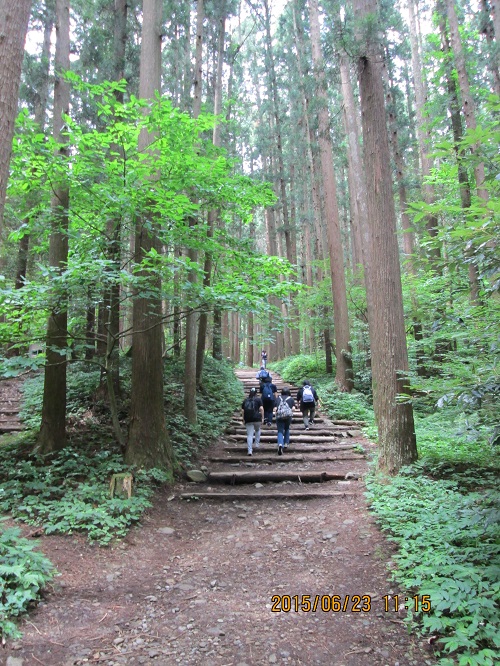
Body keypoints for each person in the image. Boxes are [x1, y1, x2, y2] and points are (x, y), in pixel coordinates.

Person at [241, 387, 264, 456]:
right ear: (256, 393)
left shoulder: (245, 400)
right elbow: (261, 408)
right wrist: (262, 418)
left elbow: (242, 410)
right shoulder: (258, 399)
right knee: (257, 430)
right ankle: (257, 444)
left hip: (248, 419)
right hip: (257, 418)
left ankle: (249, 450)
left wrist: (243, 419)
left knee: (249, 435)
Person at [274, 386, 295, 456]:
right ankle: (286, 443)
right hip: (288, 417)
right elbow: (293, 408)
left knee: (280, 431)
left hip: (279, 416)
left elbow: (275, 408)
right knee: (287, 429)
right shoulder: (291, 399)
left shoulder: (278, 399)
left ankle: (280, 444)